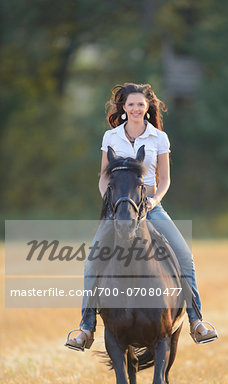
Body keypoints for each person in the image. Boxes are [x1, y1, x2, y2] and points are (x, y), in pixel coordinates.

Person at [66, 83, 218, 350]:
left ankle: (196, 321)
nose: (136, 109)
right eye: (131, 104)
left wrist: (154, 200)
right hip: (118, 210)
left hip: (150, 207)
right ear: (123, 107)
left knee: (184, 257)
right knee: (92, 262)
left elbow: (165, 180)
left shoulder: (159, 137)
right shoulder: (110, 137)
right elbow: (103, 178)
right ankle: (86, 327)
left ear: (148, 107)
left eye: (140, 104)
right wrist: (111, 204)